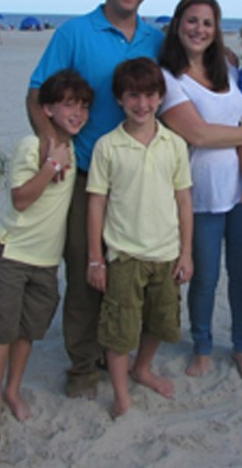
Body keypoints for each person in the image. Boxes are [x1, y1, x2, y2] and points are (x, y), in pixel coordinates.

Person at [25, 0, 164, 399]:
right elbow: (35, 94)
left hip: (137, 179)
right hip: (85, 177)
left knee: (125, 274)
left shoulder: (156, 40)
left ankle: (115, 353)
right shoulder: (74, 32)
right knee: (88, 272)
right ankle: (82, 367)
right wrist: (53, 143)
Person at [157, 0, 242, 379]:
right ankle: (202, 345)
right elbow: (199, 135)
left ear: (216, 29)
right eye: (191, 20)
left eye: (207, 22)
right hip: (199, 193)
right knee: (204, 278)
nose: (199, 29)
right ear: (177, 25)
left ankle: (240, 345)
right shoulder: (168, 79)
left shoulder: (229, 70)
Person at [86, 57, 193, 418]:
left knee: (160, 320)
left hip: (166, 252)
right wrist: (95, 258)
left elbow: (183, 199)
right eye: (133, 95)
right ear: (119, 99)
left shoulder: (174, 144)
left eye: (149, 95)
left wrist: (186, 252)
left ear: (161, 98)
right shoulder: (108, 146)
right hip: (124, 255)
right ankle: (121, 395)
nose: (142, 104)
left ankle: (142, 368)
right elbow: (96, 203)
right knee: (119, 328)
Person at [0, 70, 93, 442]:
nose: (78, 112)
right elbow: (20, 198)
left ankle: (12, 390)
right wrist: (51, 164)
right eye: (69, 104)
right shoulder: (31, 146)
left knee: (28, 331)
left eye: (83, 106)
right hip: (12, 253)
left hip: (47, 262)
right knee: (0, 332)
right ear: (47, 109)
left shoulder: (76, 149)